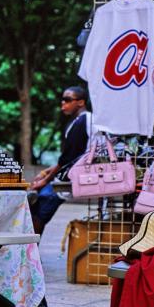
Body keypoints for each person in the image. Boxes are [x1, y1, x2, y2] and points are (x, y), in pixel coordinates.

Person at [28, 86, 93, 235]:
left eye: (68, 100)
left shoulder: (82, 122)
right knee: (37, 210)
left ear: (81, 102)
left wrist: (45, 180)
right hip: (71, 175)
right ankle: (32, 253)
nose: (63, 104)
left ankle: (31, 253)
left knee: (38, 211)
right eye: (62, 100)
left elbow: (68, 158)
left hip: (70, 179)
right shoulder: (80, 121)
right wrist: (47, 172)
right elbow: (70, 156)